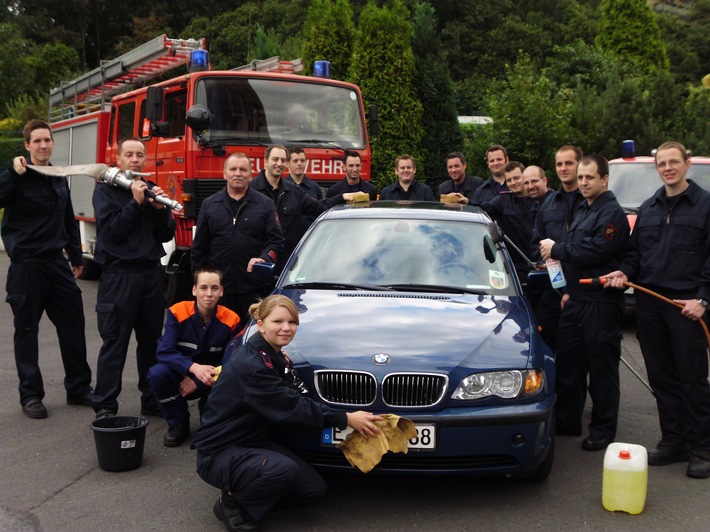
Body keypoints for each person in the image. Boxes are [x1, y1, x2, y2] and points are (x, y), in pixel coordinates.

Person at [192, 295, 383, 530]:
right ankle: (231, 503)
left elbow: (290, 393)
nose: (286, 328)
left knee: (312, 491)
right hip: (219, 452)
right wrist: (347, 418)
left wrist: (282, 363)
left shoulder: (268, 353)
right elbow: (293, 406)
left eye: (292, 322)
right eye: (278, 322)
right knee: (282, 470)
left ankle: (250, 496)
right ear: (261, 325)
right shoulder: (255, 366)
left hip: (252, 441)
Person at [604, 141, 710, 479]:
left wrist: (703, 299)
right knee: (662, 378)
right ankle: (673, 441)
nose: (667, 168)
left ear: (687, 164)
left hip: (685, 306)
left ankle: (702, 448)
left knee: (692, 379)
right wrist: (625, 272)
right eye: (662, 163)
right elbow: (636, 255)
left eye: (673, 162)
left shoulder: (706, 206)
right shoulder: (649, 208)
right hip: (649, 303)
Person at [0, 119, 92, 419]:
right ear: (27, 145)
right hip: (26, 266)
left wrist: (76, 258)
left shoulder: (57, 177)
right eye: (36, 141)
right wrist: (14, 174)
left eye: (46, 140)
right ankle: (30, 395)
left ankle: (78, 388)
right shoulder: (17, 176)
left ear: (53, 143)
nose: (42, 145)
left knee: (73, 325)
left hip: (56, 263)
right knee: (26, 331)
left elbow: (68, 220)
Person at [540, 155, 629, 451]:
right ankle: (567, 421)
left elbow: (595, 250)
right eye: (581, 178)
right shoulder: (583, 209)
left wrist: (558, 248)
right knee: (569, 364)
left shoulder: (612, 213)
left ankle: (603, 430)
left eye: (589, 177)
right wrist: (566, 290)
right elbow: (578, 253)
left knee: (601, 369)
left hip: (601, 301)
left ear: (604, 179)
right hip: (576, 298)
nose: (584, 182)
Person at [92, 138, 176, 419]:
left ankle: (151, 399)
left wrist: (160, 210)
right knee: (115, 342)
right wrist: (137, 204)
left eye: (140, 155)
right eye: (129, 154)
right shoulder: (105, 192)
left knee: (151, 342)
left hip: (150, 275)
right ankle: (105, 405)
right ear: (119, 159)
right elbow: (113, 232)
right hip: (119, 277)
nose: (135, 159)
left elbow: (165, 235)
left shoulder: (151, 188)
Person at [148, 268, 239, 447]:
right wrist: (193, 369)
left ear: (221, 291)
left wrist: (196, 382)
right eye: (203, 288)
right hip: (183, 373)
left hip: (213, 378)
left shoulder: (231, 319)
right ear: (194, 290)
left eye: (214, 288)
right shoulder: (177, 312)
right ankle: (177, 423)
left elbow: (231, 361)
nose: (209, 294)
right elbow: (164, 351)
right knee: (157, 373)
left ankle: (209, 415)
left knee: (230, 376)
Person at [191, 153, 284, 329]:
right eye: (233, 169)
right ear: (224, 173)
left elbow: (276, 242)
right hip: (220, 290)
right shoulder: (210, 205)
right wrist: (201, 285)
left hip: (254, 288)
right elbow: (199, 249)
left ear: (251, 174)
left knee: (252, 337)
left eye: (243, 169)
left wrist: (265, 258)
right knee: (219, 339)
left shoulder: (265, 204)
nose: (238, 173)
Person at [250, 145, 349, 274]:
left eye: (282, 160)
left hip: (287, 269)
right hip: (258, 267)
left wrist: (341, 197)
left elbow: (318, 207)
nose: (279, 164)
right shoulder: (251, 190)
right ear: (266, 161)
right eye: (275, 159)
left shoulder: (293, 191)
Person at [530, 146, 585, 352]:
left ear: (579, 164)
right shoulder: (549, 203)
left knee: (579, 352)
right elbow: (536, 242)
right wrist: (542, 261)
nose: (563, 168)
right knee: (545, 337)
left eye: (569, 163)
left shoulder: (590, 201)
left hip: (583, 289)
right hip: (555, 285)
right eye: (559, 164)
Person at [479, 161, 536, 283]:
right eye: (509, 180)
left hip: (541, 263)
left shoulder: (541, 198)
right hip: (515, 267)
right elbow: (482, 210)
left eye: (516, 178)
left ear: (525, 177)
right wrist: (466, 202)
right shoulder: (503, 200)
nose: (513, 183)